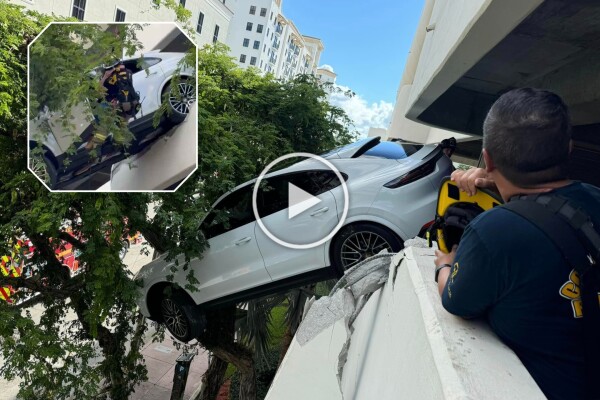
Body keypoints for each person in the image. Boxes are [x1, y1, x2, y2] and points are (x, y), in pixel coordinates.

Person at [433, 88, 600, 400]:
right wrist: (494, 176)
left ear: (487, 158)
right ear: (569, 148)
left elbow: (456, 302)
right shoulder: (594, 196)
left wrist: (445, 264)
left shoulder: (493, 232)